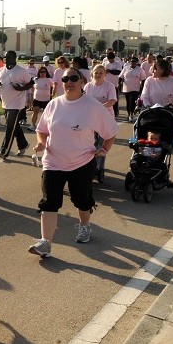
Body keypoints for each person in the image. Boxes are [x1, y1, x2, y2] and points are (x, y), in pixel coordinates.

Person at [28, 67, 118, 258]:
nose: (69, 82)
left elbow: (110, 132)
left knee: (82, 201)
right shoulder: (54, 104)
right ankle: (45, 243)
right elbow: (42, 129)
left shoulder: (93, 106)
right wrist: (41, 143)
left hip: (82, 163)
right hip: (53, 162)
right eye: (66, 79)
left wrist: (104, 150)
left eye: (74, 78)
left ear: (82, 82)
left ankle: (85, 226)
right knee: (49, 202)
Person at [0, 50, 33, 159]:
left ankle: (4, 151)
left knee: (10, 128)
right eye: (5, 57)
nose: (6, 59)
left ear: (15, 58)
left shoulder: (21, 71)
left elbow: (31, 83)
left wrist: (21, 88)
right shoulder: (1, 71)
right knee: (14, 125)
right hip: (6, 103)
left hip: (17, 104)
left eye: (9, 57)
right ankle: (23, 144)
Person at [119, 57, 147, 122]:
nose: (132, 63)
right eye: (131, 61)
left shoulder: (140, 70)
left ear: (136, 63)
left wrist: (142, 88)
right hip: (126, 88)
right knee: (128, 102)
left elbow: (143, 79)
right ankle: (129, 114)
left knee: (132, 102)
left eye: (134, 62)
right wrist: (119, 83)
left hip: (135, 88)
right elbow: (120, 77)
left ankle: (131, 114)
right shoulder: (126, 68)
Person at [30, 66, 52, 131]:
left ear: (46, 73)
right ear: (38, 73)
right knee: (35, 112)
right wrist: (33, 93)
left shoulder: (49, 80)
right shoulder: (35, 79)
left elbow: (54, 86)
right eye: (41, 72)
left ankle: (46, 127)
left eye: (44, 72)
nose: (42, 73)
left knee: (47, 114)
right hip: (37, 99)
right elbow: (31, 87)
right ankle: (33, 125)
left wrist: (52, 94)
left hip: (46, 99)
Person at [104, 52, 124, 117]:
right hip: (106, 84)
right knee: (106, 99)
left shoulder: (117, 64)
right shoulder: (105, 63)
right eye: (109, 59)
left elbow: (118, 72)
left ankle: (116, 111)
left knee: (114, 99)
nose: (110, 61)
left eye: (111, 59)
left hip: (114, 84)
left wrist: (109, 71)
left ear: (114, 58)